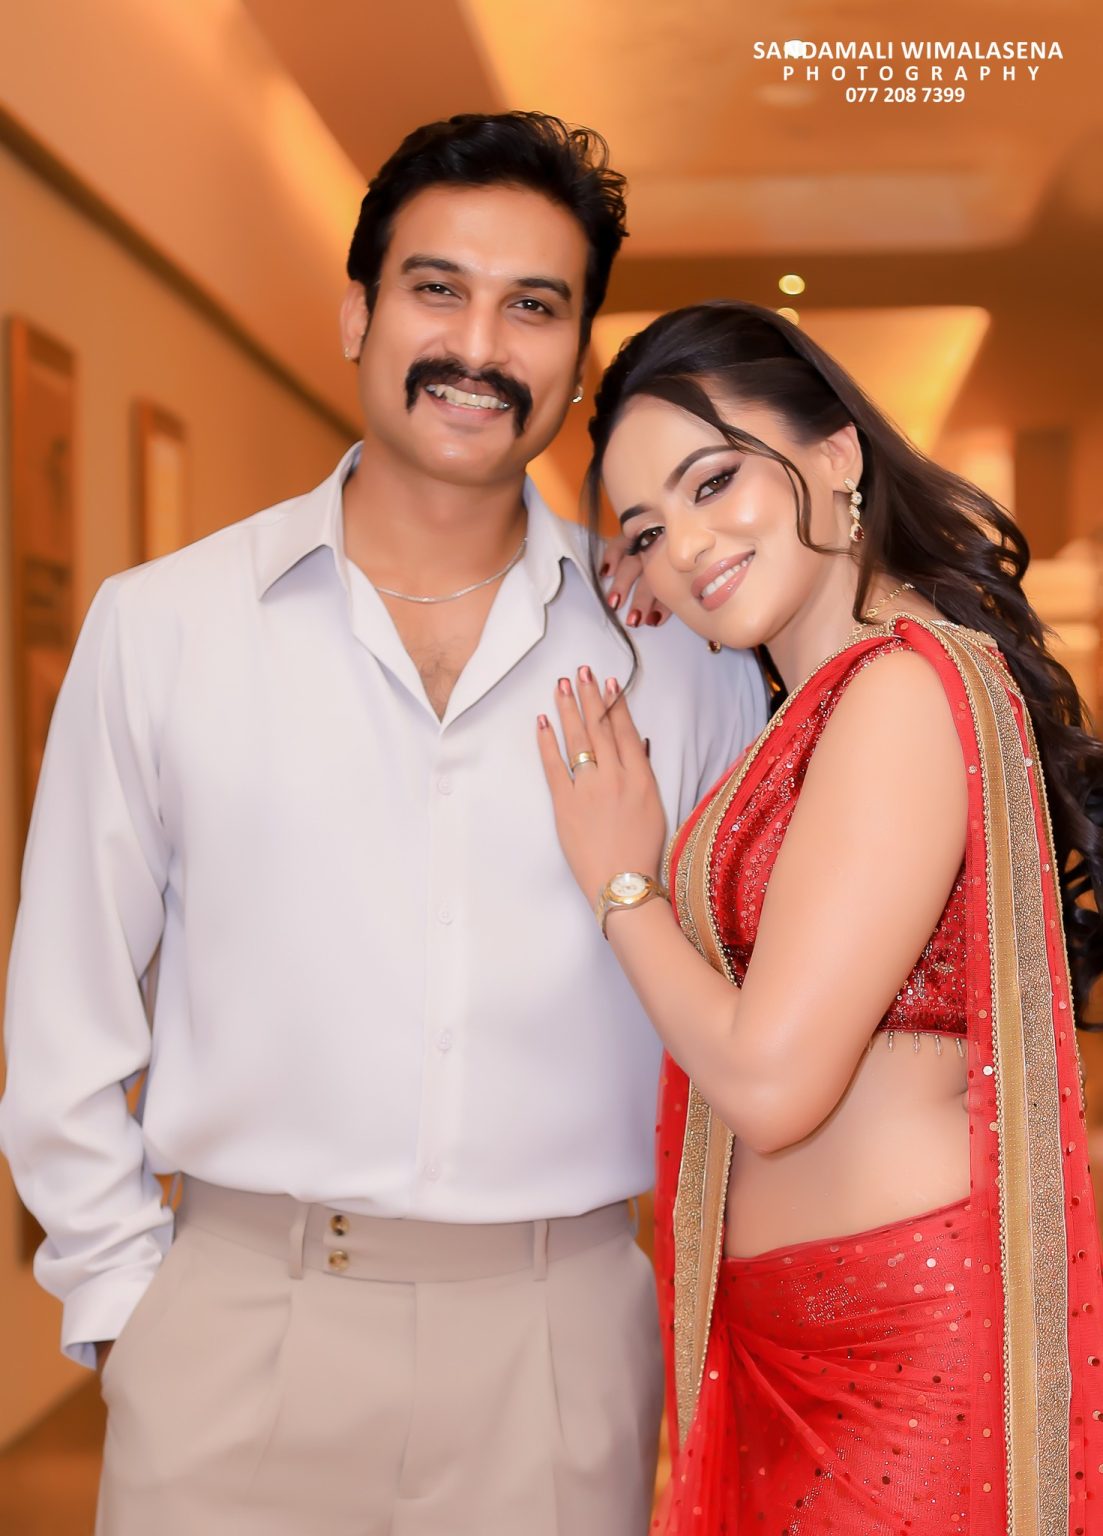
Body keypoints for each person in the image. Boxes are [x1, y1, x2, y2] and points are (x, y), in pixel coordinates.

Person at [0, 121, 765, 1535]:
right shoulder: (165, 628)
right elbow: (65, 1010)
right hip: (237, 1329)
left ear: (577, 359)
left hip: (559, 1342)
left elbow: (755, 1016)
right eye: (436, 289)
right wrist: (124, 1307)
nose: (477, 346)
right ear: (357, 314)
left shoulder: (679, 661)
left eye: (531, 306)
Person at [537, 299, 1103, 1534]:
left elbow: (772, 1081)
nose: (685, 545)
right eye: (646, 530)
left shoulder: (898, 691)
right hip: (789, 1340)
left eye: (713, 481)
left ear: (837, 451)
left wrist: (622, 887)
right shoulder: (816, 708)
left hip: (896, 1353)